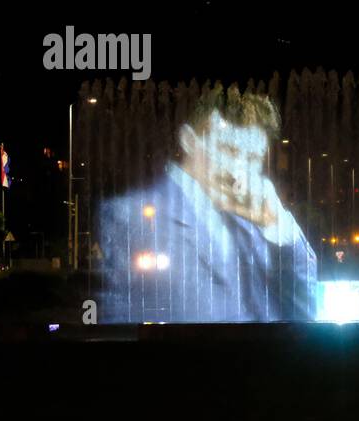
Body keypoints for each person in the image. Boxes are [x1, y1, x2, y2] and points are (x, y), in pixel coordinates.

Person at [97, 90, 317, 323]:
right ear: (189, 140)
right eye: (228, 150)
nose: (238, 170)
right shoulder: (128, 216)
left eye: (252, 157)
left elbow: (305, 319)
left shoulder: (262, 227)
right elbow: (125, 326)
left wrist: (279, 227)